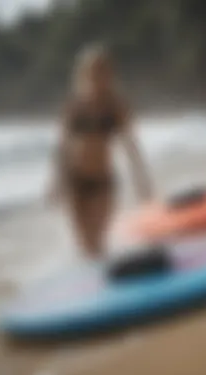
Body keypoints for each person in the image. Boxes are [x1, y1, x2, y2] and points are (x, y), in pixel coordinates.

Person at [48, 43, 153, 259]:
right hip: (75, 181)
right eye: (93, 70)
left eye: (103, 69)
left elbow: (130, 144)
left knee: (98, 241)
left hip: (103, 181)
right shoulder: (74, 106)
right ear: (82, 74)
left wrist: (141, 178)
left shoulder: (115, 106)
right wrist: (56, 181)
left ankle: (101, 280)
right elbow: (62, 146)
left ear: (110, 73)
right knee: (85, 245)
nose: (98, 75)